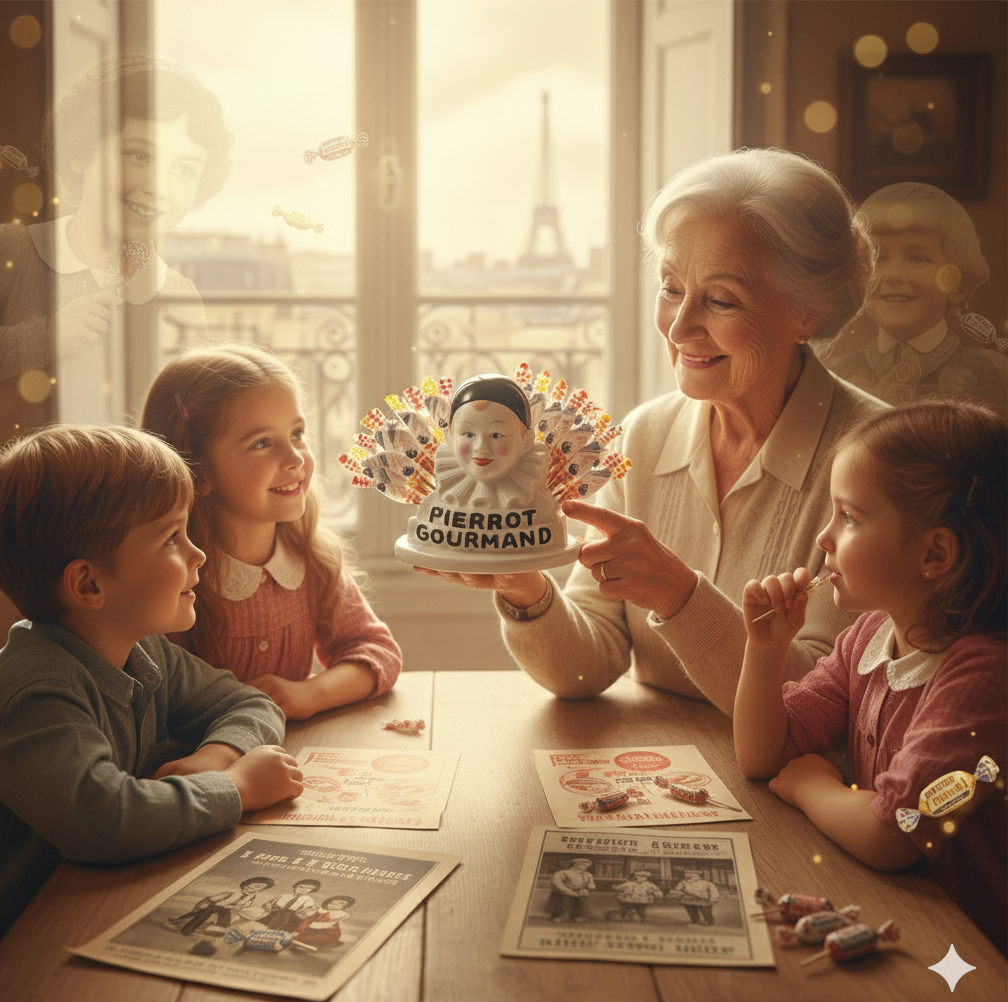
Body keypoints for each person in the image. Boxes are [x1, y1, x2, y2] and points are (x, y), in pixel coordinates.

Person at [415, 148, 884, 713]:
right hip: (654, 764)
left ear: (808, 313)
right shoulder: (644, 437)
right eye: (670, 287)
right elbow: (589, 666)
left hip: (793, 791)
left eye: (721, 299)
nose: (680, 326)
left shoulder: (883, 463)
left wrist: (677, 593)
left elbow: (825, 704)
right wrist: (526, 589)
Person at [0, 424, 304, 955]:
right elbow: (103, 820)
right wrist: (237, 788)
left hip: (88, 905)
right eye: (171, 538)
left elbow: (247, 702)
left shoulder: (142, 650)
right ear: (88, 584)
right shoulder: (34, 694)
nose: (198, 555)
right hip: (18, 950)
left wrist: (217, 755)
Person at [733, 399, 1007, 954]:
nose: (824, 538)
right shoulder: (870, 637)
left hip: (978, 954)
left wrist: (812, 787)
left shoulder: (983, 677)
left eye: (849, 516)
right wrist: (765, 652)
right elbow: (764, 755)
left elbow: (896, 831)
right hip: (908, 917)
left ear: (934, 554)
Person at [142, 344, 401, 720]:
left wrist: (310, 693)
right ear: (197, 469)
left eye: (297, 433)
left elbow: (377, 650)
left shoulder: (311, 559)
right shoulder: (173, 576)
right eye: (262, 443)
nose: (295, 458)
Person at [0, 53, 233, 427]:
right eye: (138, 154)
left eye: (183, 169)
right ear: (80, 152)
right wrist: (47, 336)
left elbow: (191, 426)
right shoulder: (13, 251)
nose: (157, 188)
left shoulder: (178, 297)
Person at [827, 182, 1007, 411]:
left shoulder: (991, 371)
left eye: (918, 258)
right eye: (878, 257)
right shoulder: (835, 372)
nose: (894, 276)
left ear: (957, 284)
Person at [433, 373, 552, 509]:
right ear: (450, 437)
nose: (481, 447)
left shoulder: (541, 508)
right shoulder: (435, 505)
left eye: (496, 435)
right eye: (469, 434)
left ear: (526, 441)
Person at [170, 876, 275, 937]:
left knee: (224, 913)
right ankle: (188, 928)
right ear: (248, 884)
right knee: (212, 908)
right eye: (256, 885)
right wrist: (201, 906)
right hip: (211, 909)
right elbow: (210, 900)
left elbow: (246, 909)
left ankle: (217, 929)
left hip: (227, 913)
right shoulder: (230, 893)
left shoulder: (251, 899)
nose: (257, 888)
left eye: (260, 888)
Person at [291, 895, 356, 950]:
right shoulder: (319, 912)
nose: (334, 905)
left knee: (319, 938)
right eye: (332, 903)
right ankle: (299, 942)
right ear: (327, 903)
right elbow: (307, 922)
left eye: (339, 904)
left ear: (344, 907)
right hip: (311, 930)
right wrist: (298, 930)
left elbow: (330, 925)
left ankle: (310, 944)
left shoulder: (338, 914)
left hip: (328, 933)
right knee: (299, 934)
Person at [545, 858, 596, 923]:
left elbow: (591, 885)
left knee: (580, 903)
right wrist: (567, 891)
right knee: (563, 903)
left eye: (586, 866)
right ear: (575, 865)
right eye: (582, 865)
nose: (585, 867)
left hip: (578, 892)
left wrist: (586, 890)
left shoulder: (588, 875)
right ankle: (558, 916)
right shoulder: (564, 873)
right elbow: (557, 883)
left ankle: (577, 916)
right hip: (562, 892)